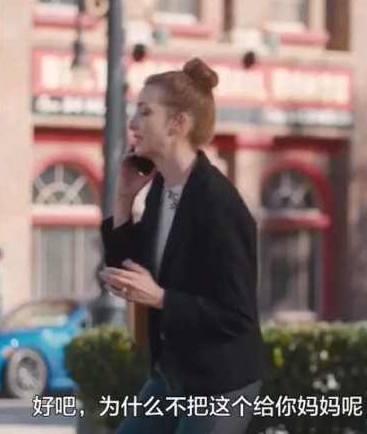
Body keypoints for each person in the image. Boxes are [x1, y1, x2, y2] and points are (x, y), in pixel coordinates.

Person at [100, 57, 266, 434]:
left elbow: (237, 316)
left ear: (178, 123)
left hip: (220, 383)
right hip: (170, 376)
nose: (133, 123)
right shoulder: (160, 189)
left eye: (145, 112)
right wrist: (124, 199)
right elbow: (129, 275)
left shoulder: (220, 205)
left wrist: (160, 298)